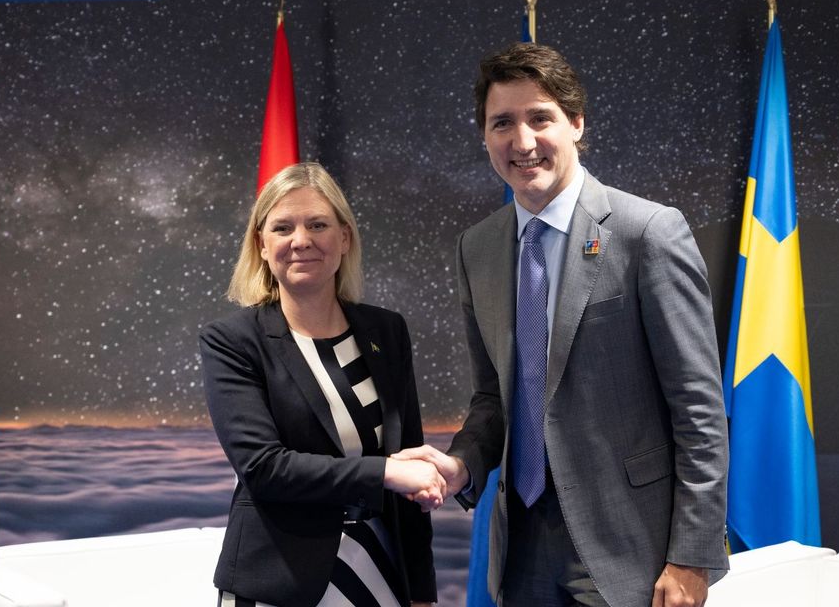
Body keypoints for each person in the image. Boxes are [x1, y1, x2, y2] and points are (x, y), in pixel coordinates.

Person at [396, 42, 729, 607]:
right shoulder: (476, 249)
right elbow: (492, 401)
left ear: (576, 123)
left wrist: (692, 556)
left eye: (540, 118)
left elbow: (699, 410)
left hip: (631, 554)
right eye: (503, 123)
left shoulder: (647, 231)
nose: (522, 142)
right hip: (522, 548)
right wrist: (459, 466)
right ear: (484, 136)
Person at [200, 162, 439, 607]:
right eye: (283, 227)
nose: (301, 240)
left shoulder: (386, 331)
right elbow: (263, 469)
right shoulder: (232, 340)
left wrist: (422, 592)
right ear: (262, 245)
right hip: (278, 581)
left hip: (378, 569)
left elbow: (408, 458)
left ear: (344, 239)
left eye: (318, 224)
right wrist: (384, 472)